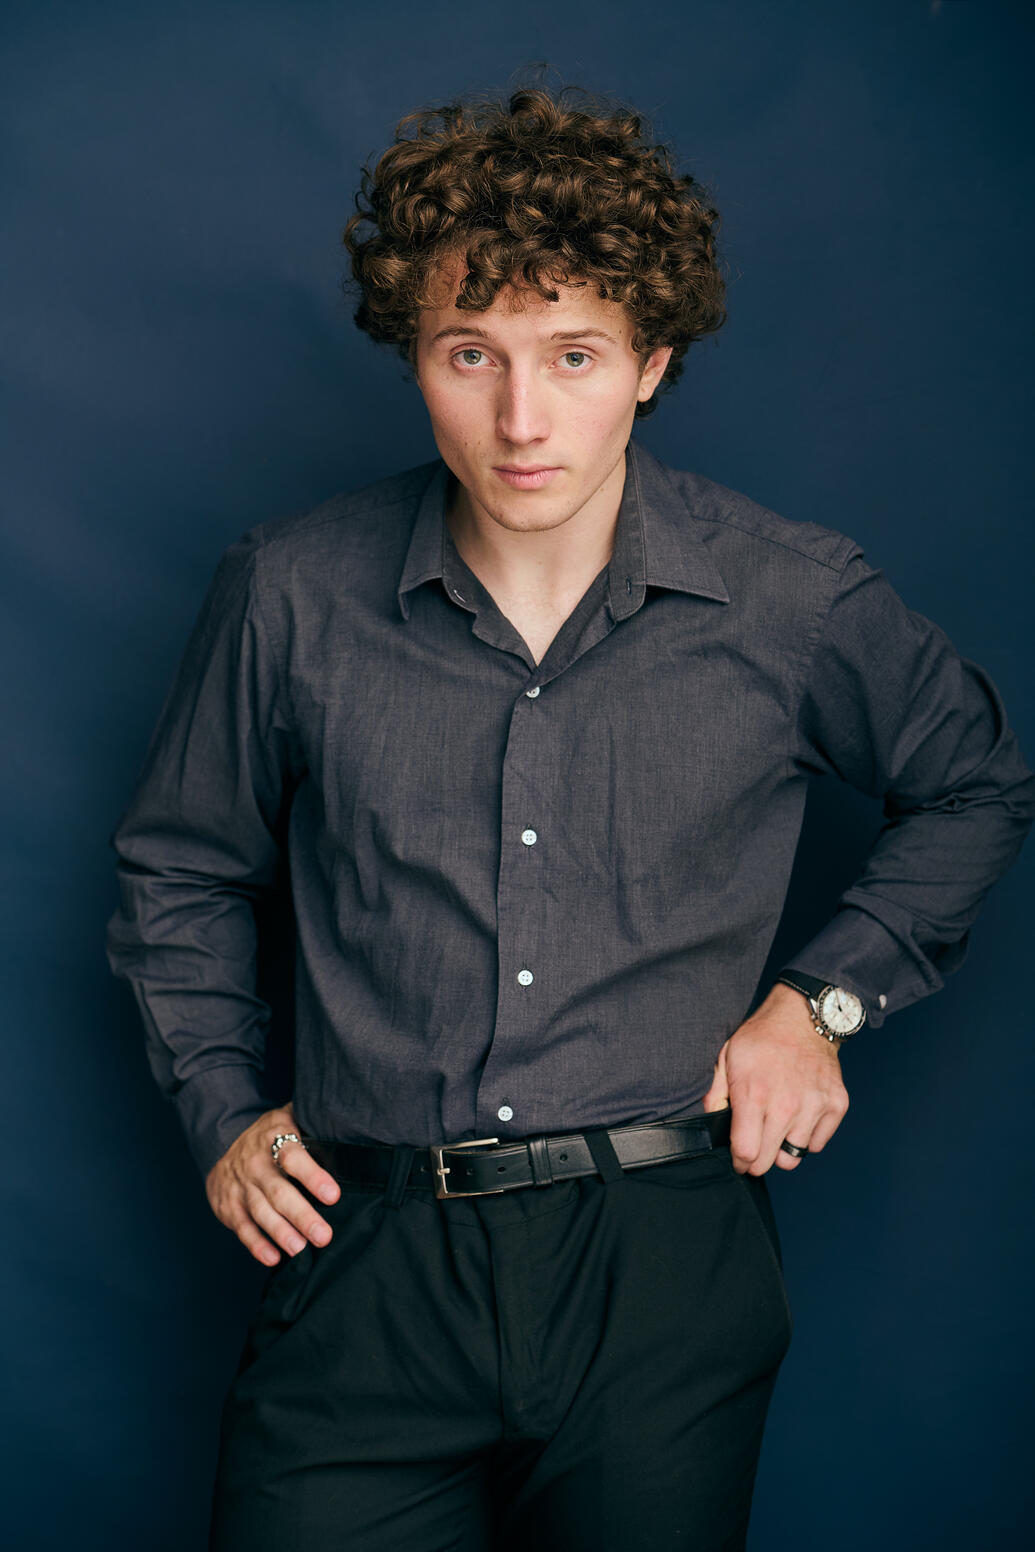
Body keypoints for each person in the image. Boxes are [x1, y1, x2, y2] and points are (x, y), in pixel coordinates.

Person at [105, 84, 1035, 1551]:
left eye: (574, 355)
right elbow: (179, 866)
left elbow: (978, 782)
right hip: (368, 1264)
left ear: (651, 364)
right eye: (470, 353)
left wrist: (821, 1004)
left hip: (663, 1268)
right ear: (416, 357)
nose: (521, 420)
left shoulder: (791, 598)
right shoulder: (288, 591)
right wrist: (223, 1111)